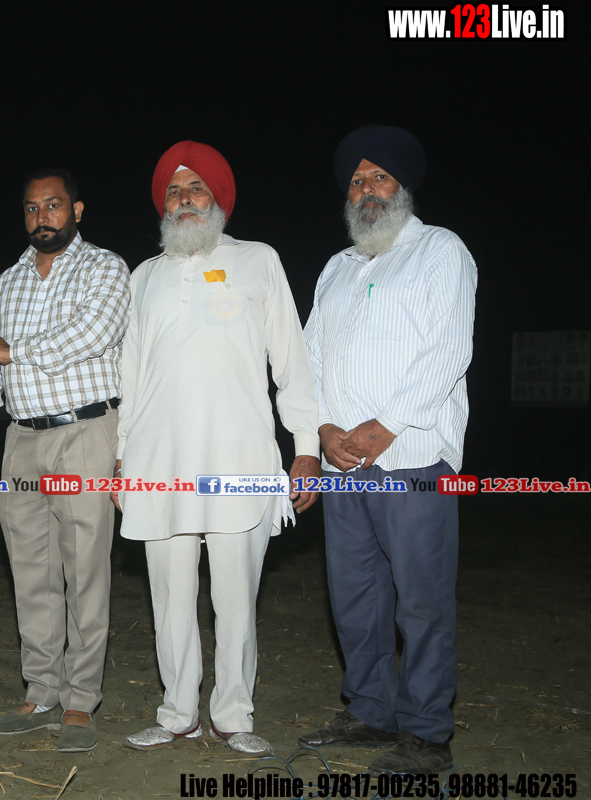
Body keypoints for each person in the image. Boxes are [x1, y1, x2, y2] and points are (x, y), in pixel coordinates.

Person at [117, 141, 321, 757]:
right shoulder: (143, 276)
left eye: (196, 188)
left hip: (240, 457)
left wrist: (305, 448)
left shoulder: (258, 261)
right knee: (170, 597)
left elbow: (292, 361)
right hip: (159, 460)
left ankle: (233, 715)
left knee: (235, 598)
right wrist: (122, 456)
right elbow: (129, 376)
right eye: (174, 191)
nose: (185, 199)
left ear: (218, 199)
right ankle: (177, 712)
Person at [300, 125, 476, 774]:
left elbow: (449, 348)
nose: (366, 189)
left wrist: (388, 425)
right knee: (356, 597)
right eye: (356, 180)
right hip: (345, 465)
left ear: (402, 186)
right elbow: (310, 357)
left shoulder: (440, 250)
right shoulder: (337, 269)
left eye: (378, 177)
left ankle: (427, 734)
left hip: (414, 459)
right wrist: (322, 429)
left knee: (422, 603)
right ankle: (371, 710)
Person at [0, 168, 130, 753]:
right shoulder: (5, 282)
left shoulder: (104, 268)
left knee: (84, 569)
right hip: (22, 440)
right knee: (31, 569)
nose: (42, 217)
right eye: (32, 208)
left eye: (54, 205)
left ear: (77, 210)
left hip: (84, 432)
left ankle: (80, 701)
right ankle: (41, 692)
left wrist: (10, 351)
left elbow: (92, 334)